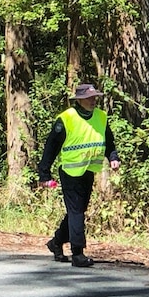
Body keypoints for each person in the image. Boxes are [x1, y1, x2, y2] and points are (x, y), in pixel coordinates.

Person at [37, 83, 120, 268]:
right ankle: (78, 253)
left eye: (94, 97)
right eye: (89, 98)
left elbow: (109, 140)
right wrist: (44, 174)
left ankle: (56, 243)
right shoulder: (66, 119)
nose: (93, 101)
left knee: (77, 213)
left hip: (89, 170)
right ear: (79, 100)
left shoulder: (101, 116)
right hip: (70, 172)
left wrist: (113, 157)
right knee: (76, 212)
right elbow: (51, 147)